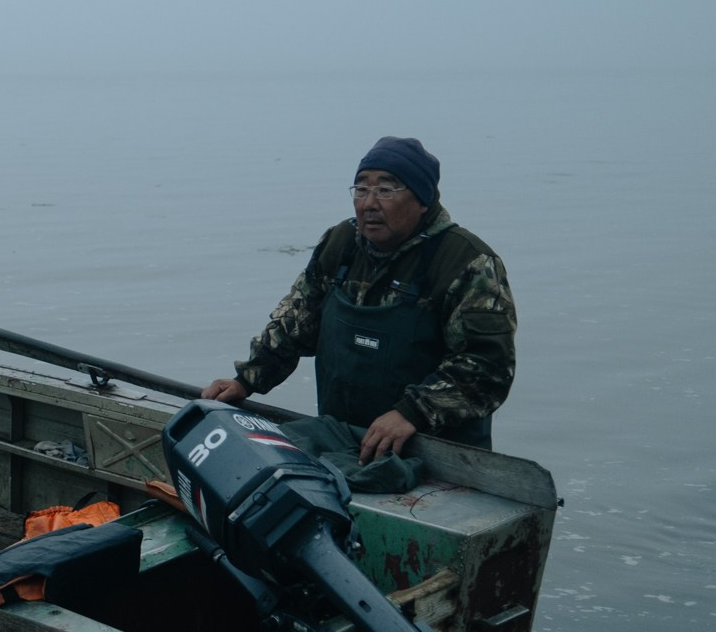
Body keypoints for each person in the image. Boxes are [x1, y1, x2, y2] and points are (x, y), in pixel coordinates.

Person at [200, 136, 516, 460]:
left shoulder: (467, 262)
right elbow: (296, 322)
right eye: (361, 189)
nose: (369, 204)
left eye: (386, 189)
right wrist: (247, 379)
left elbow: (489, 368)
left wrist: (412, 412)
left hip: (443, 461)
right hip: (345, 445)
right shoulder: (342, 245)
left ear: (423, 199)